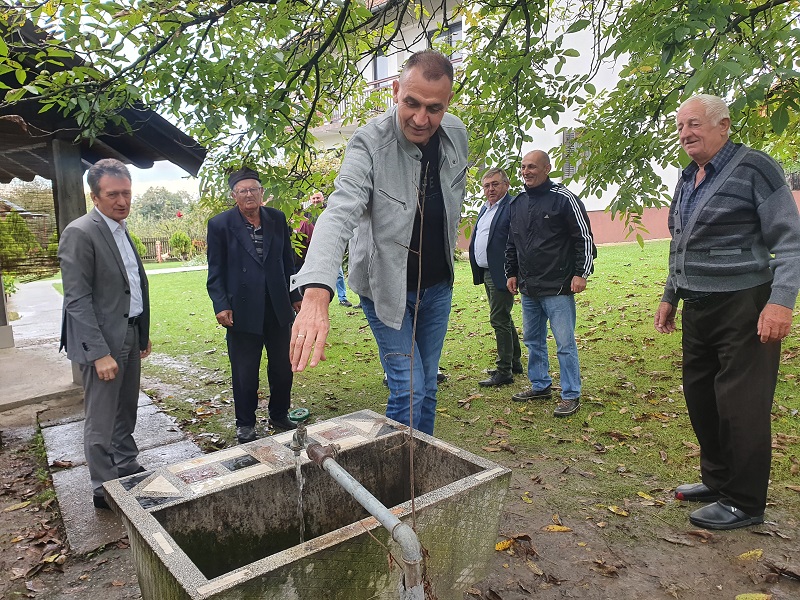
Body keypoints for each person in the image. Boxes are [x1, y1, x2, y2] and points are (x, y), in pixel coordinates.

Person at [290, 49, 468, 436]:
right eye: (412, 103)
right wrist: (316, 291)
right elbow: (339, 211)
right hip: (385, 290)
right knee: (409, 387)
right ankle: (395, 481)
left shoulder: (457, 135)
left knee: (428, 386)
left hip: (437, 288)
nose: (421, 119)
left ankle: (421, 469)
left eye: (434, 108)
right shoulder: (368, 142)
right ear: (394, 91)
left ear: (448, 102)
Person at [654, 94, 800, 530]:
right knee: (703, 402)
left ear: (724, 125)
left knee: (742, 406)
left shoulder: (755, 168)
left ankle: (745, 501)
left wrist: (781, 301)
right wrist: (670, 295)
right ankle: (718, 482)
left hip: (745, 306)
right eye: (680, 127)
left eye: (694, 124)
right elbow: (681, 243)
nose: (685, 134)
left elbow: (790, 242)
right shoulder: (687, 177)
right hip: (698, 308)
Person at [58, 158, 151, 510]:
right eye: (113, 194)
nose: (122, 201)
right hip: (101, 342)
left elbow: (129, 286)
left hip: (127, 334)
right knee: (101, 418)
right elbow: (77, 300)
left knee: (126, 410)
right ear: (94, 196)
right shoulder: (80, 232)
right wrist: (98, 353)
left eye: (126, 193)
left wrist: (140, 333)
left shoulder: (120, 228)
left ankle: (127, 468)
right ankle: (104, 487)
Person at [206, 167, 303, 443]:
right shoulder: (220, 225)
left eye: (254, 190)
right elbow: (216, 270)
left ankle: (279, 413)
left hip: (277, 306)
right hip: (242, 309)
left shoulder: (276, 218)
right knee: (245, 370)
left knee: (283, 367)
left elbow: (288, 262)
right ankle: (245, 423)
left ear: (262, 193)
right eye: (243, 191)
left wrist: (295, 296)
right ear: (234, 195)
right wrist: (221, 304)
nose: (249, 195)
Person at [505, 150, 595, 417]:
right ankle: (540, 384)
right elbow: (513, 243)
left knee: (564, 343)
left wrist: (582, 273)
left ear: (547, 168)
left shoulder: (564, 199)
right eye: (523, 167)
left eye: (532, 167)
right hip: (529, 287)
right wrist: (511, 272)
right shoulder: (517, 203)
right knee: (533, 339)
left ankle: (571, 393)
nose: (526, 172)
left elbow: (584, 238)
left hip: (558, 287)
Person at [469, 167, 523, 386]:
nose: (490, 189)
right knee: (504, 317)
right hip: (487, 270)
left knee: (498, 318)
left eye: (495, 184)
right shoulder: (486, 208)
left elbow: (517, 241)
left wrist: (514, 271)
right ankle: (514, 362)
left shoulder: (512, 207)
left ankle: (504, 372)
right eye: (487, 185)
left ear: (506, 185)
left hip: (502, 272)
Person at [307, 191, 352, 307]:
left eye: (318, 198)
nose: (316, 200)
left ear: (323, 199)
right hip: (312, 246)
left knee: (339, 273)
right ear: (310, 199)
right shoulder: (306, 213)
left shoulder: (331, 210)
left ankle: (342, 298)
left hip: (330, 245)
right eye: (314, 198)